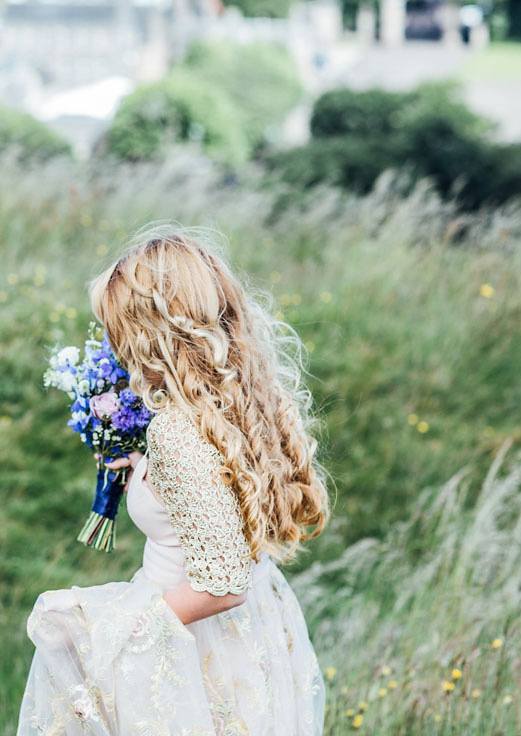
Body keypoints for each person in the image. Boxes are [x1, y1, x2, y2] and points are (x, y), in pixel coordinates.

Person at [17, 227, 330, 735]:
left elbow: (222, 586)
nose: (114, 346)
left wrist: (102, 631)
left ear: (150, 334)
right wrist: (151, 472)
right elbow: (219, 508)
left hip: (192, 648)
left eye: (116, 328)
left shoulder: (179, 433)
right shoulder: (245, 400)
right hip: (248, 636)